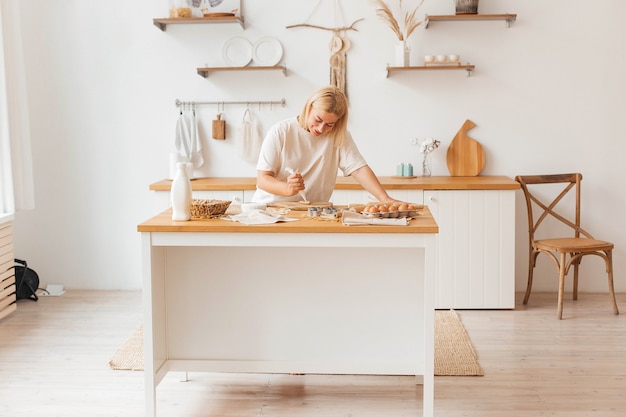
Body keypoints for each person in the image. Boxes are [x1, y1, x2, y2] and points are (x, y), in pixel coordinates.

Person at [252, 86, 397, 205]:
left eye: (329, 124)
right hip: (271, 209)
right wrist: (286, 188)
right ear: (309, 107)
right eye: (318, 119)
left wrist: (385, 199)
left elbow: (358, 170)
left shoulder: (339, 135)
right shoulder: (281, 131)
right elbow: (263, 179)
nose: (321, 129)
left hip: (312, 211)